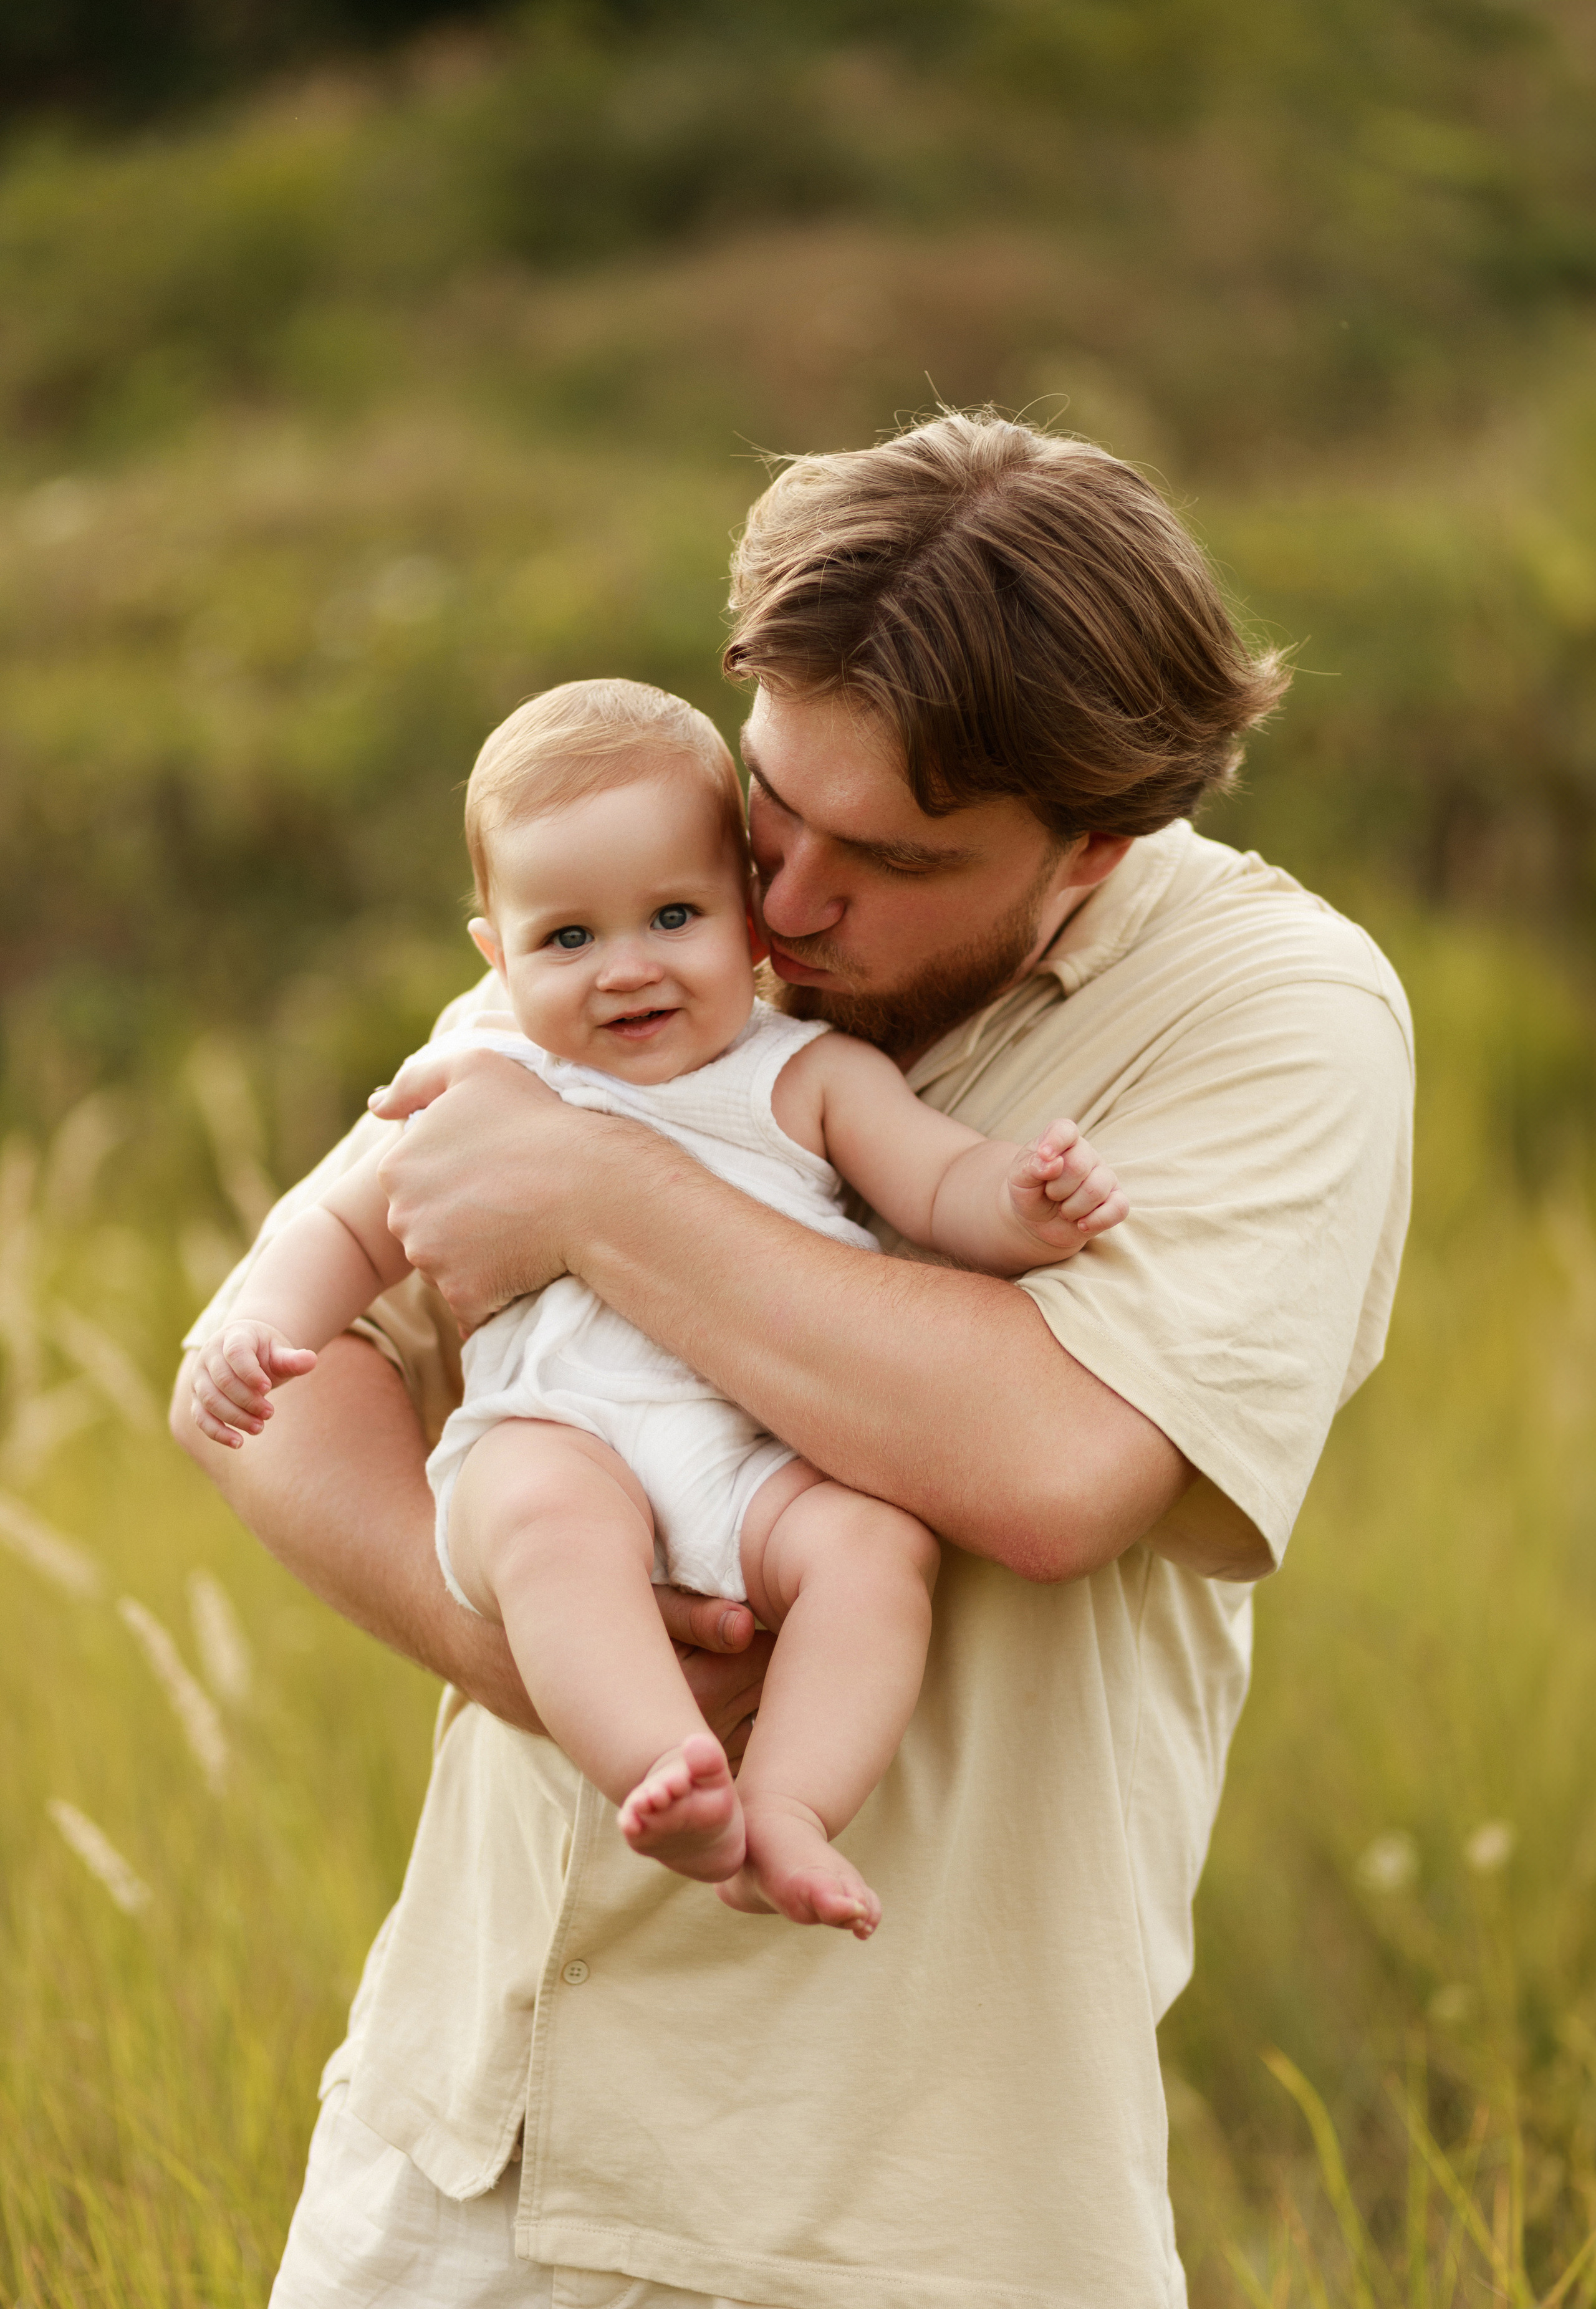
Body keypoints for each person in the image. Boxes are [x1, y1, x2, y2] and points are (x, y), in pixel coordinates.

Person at [172, 411, 1413, 2308]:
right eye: (776, 807)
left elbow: (1061, 1468)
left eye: (892, 858)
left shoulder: (1275, 1016)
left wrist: (591, 1191)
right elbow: (289, 1350)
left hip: (908, 2202)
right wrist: (540, 1646)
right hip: (470, 2152)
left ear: (1098, 840)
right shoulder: (629, 927)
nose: (787, 903)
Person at [184, 677, 1127, 1937]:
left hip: (748, 1460)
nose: (625, 970)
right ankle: (661, 1767)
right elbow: (346, 1224)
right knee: (550, 1530)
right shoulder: (484, 1072)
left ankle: (787, 1804)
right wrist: (262, 1330)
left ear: (750, 922)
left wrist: (1026, 1200)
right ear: (495, 956)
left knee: (871, 1552)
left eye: (671, 917)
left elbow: (941, 1181)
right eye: (565, 939)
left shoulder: (804, 1078)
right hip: (549, 1430)